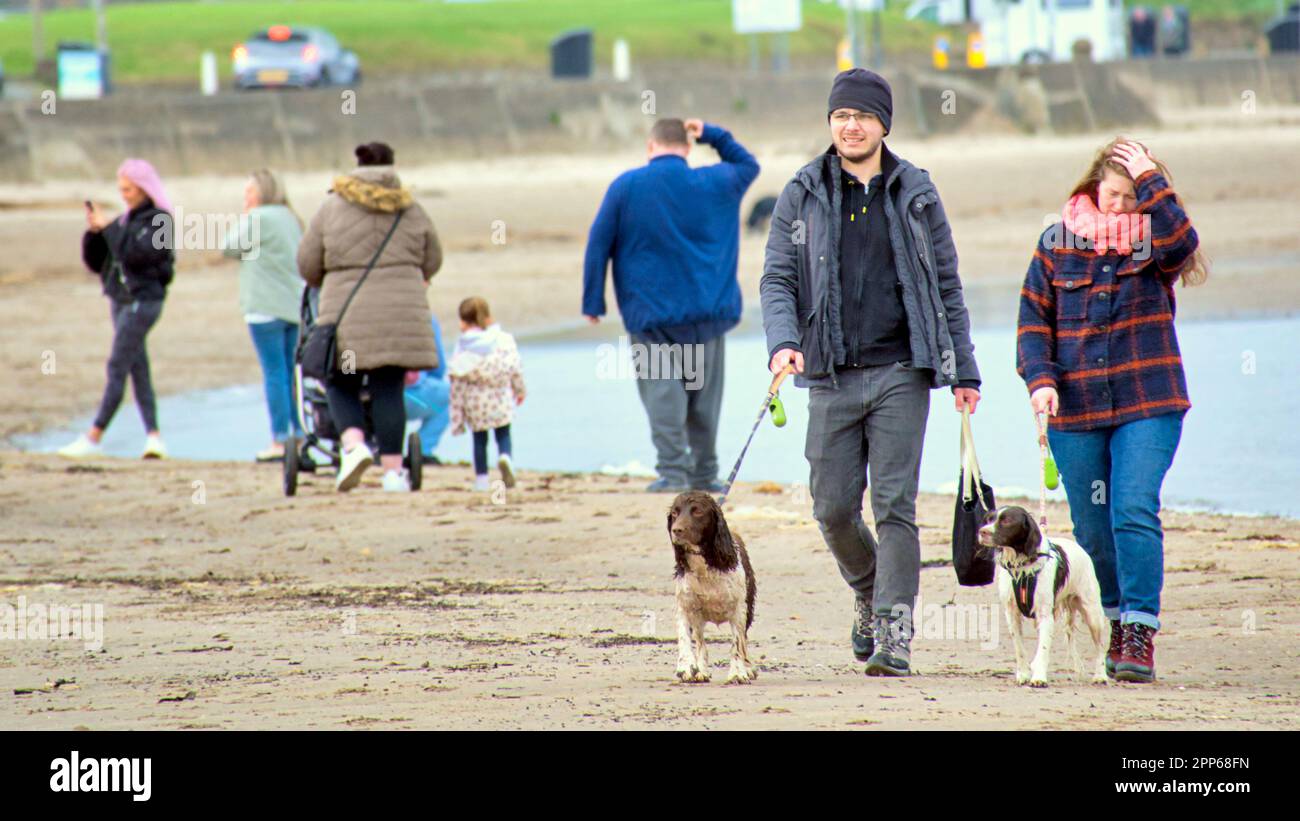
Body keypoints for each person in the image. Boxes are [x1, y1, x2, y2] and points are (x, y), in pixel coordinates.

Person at [760, 69, 982, 677]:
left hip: (900, 372)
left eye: (861, 115)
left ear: (884, 123)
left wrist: (964, 370)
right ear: (830, 123)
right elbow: (777, 277)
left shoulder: (916, 191)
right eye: (840, 116)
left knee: (895, 506)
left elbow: (945, 285)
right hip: (828, 374)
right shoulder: (801, 192)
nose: (850, 125)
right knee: (831, 508)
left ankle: (894, 633)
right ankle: (868, 589)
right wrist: (783, 343)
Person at [1016, 137, 1206, 683]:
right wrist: (1040, 382)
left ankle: (1140, 634)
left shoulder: (1157, 244)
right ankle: (1114, 622)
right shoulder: (1056, 242)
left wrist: (1151, 179)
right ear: (1093, 190)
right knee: (1093, 528)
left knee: (1132, 509)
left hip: (1149, 400)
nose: (1121, 205)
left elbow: (1184, 240)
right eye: (1113, 193)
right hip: (1074, 409)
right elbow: (1033, 320)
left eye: (1132, 196)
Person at [583, 117, 760, 493]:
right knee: (704, 400)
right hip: (708, 312)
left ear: (651, 146)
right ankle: (704, 473)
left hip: (651, 315)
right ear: (687, 147)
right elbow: (749, 165)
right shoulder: (716, 182)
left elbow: (598, 243)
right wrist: (713, 133)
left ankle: (673, 473)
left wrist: (592, 301)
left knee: (664, 393)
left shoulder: (626, 186)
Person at [297, 141, 442, 493]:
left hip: (347, 318)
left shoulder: (331, 207)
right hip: (399, 317)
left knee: (341, 379)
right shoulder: (411, 209)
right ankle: (393, 473)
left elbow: (307, 264)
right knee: (388, 388)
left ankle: (354, 444)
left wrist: (328, 280)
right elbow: (433, 259)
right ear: (392, 167)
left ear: (356, 166)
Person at [60, 159, 176, 459]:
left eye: (128, 189)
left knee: (117, 365)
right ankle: (154, 437)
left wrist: (110, 228)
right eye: (120, 189)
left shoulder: (161, 221)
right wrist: (96, 232)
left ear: (143, 188)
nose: (123, 194)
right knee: (138, 368)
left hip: (145, 302)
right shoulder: (125, 222)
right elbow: (98, 262)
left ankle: (94, 436)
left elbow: (141, 256)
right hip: (120, 301)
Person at [221, 169, 306, 462]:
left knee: (274, 373)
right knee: (291, 374)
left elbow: (229, 247)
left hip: (264, 309)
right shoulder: (291, 218)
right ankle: (300, 434)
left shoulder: (259, 218)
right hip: (293, 308)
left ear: (263, 192)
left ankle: (280, 441)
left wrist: (246, 215)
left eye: (249, 192)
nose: (245, 198)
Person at [448, 297, 525, 492]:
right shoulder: (503, 339)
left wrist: (457, 415)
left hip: (475, 402)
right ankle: (506, 457)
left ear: (464, 321)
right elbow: (515, 367)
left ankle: (482, 479)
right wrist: (519, 389)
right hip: (500, 398)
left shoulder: (463, 345)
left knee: (479, 440)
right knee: (503, 433)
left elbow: (456, 377)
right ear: (487, 317)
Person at [403, 314, 451, 462]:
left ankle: (367, 446)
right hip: (411, 396)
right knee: (451, 397)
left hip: (371, 396)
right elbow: (438, 366)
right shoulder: (425, 317)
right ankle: (423, 450)